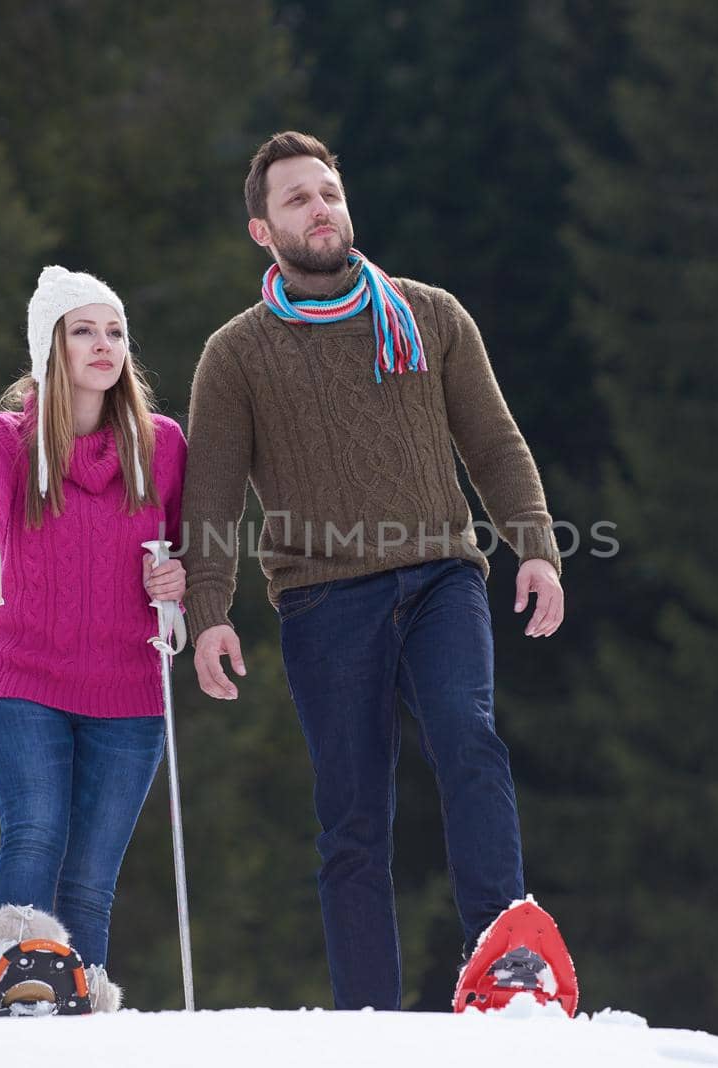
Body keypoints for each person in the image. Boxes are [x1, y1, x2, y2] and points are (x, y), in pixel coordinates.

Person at [179, 132, 566, 1011]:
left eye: (328, 192)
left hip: (441, 576)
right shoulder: (236, 354)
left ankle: (505, 967)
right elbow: (208, 501)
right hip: (322, 599)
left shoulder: (430, 315)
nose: (320, 209)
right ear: (261, 230)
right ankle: (369, 1023)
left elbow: (494, 443)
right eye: (296, 200)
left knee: (469, 740)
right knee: (353, 819)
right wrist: (210, 613)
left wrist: (535, 546)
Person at [0, 265, 187, 1011]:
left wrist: (176, 581)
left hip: (129, 687)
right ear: (51, 346)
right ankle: (19, 990)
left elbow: (185, 553)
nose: (104, 345)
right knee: (36, 829)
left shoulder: (164, 446)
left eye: (114, 331)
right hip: (21, 675)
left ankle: (76, 1009)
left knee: (90, 879)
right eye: (84, 330)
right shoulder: (4, 438)